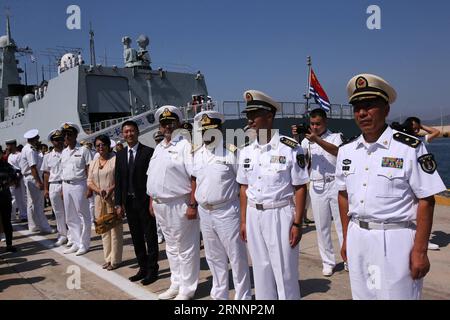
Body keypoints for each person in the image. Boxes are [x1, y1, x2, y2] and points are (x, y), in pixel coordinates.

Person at [336, 73, 446, 300]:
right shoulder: (346, 151)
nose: (362, 113)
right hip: (358, 237)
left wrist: (420, 250)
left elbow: (426, 200)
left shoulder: (409, 148)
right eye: (357, 107)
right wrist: (347, 238)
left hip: (396, 240)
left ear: (386, 110)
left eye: (369, 106)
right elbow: (343, 195)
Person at [236, 90, 309, 300]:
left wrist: (297, 223)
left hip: (280, 214)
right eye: (248, 114)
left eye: (255, 113)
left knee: (285, 272)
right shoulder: (246, 151)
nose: (250, 119)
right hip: (253, 214)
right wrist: (243, 221)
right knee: (260, 270)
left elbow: (300, 186)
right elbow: (243, 187)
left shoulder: (290, 148)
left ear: (269, 116)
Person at [192, 110, 252, 300]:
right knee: (213, 257)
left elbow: (243, 185)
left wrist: (244, 218)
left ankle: (243, 297)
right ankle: (220, 295)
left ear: (219, 130)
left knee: (237, 257)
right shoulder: (197, 154)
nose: (208, 134)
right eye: (204, 130)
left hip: (227, 211)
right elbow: (195, 180)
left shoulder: (232, 153)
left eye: (212, 129)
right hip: (205, 212)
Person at [146, 106, 200, 300]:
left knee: (186, 248)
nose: (167, 126)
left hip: (180, 203)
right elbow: (153, 176)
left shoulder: (185, 145)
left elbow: (194, 176)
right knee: (171, 247)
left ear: (178, 124)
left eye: (171, 122)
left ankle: (187, 289)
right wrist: (152, 200)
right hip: (161, 205)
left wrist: (193, 204)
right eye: (163, 123)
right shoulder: (159, 148)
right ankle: (176, 283)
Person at [291, 108, 345, 276]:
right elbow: (302, 162)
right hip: (316, 185)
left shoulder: (336, 136)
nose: (314, 127)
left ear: (325, 122)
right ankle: (328, 261)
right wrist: (296, 140)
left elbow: (338, 152)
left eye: (318, 124)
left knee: (342, 225)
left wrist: (317, 140)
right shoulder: (307, 142)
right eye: (312, 124)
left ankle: (348, 257)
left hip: (334, 184)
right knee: (322, 227)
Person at [114, 120, 159, 285]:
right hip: (129, 202)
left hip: (145, 202)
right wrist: (118, 203)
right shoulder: (119, 155)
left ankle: (153, 270)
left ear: (137, 132)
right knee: (136, 237)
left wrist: (152, 200)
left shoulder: (148, 152)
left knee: (150, 236)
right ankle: (143, 268)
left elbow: (152, 179)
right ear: (122, 134)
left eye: (132, 131)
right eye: (126, 132)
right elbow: (118, 181)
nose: (129, 134)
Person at [88, 135, 123, 270]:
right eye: (98, 145)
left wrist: (110, 189)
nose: (100, 148)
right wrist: (98, 190)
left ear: (109, 146)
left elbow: (120, 179)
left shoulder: (115, 160)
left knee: (115, 230)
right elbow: (89, 181)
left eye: (103, 145)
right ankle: (107, 258)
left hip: (113, 198)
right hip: (99, 199)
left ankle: (115, 260)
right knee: (103, 228)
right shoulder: (94, 162)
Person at [60, 122, 92, 255]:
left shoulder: (83, 150)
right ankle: (75, 242)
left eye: (69, 134)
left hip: (79, 184)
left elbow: (89, 168)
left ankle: (84, 244)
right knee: (70, 216)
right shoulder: (64, 152)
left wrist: (89, 186)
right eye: (65, 134)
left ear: (75, 135)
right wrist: (63, 189)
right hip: (66, 184)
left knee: (83, 215)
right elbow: (63, 170)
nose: (66, 137)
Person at [19, 129, 53, 233]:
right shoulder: (30, 150)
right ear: (35, 139)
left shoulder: (27, 148)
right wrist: (38, 181)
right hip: (33, 177)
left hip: (29, 177)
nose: (38, 140)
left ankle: (33, 226)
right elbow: (33, 167)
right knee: (38, 203)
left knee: (31, 203)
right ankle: (45, 227)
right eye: (37, 138)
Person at [41, 129, 68, 247]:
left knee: (69, 211)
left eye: (61, 139)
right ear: (52, 142)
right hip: (54, 185)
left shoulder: (68, 152)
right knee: (58, 212)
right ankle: (62, 235)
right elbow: (46, 173)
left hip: (66, 183)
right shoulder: (47, 156)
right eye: (56, 140)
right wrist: (46, 189)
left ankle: (72, 235)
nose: (59, 142)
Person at [0, 146, 17, 252]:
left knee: (7, 221)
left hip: (5, 196)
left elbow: (15, 177)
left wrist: (5, 185)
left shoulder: (6, 166)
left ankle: (9, 244)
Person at [6, 139, 27, 222]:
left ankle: (23, 215)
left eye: (9, 145)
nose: (8, 147)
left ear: (14, 145)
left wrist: (17, 180)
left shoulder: (20, 155)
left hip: (19, 178)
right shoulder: (10, 156)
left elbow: (22, 168)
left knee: (21, 197)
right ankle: (12, 215)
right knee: (12, 198)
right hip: (11, 179)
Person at [152, 130, 165, 244]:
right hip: (157, 189)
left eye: (160, 139)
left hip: (167, 189)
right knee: (157, 218)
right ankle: (159, 234)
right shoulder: (154, 152)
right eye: (157, 140)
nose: (159, 142)